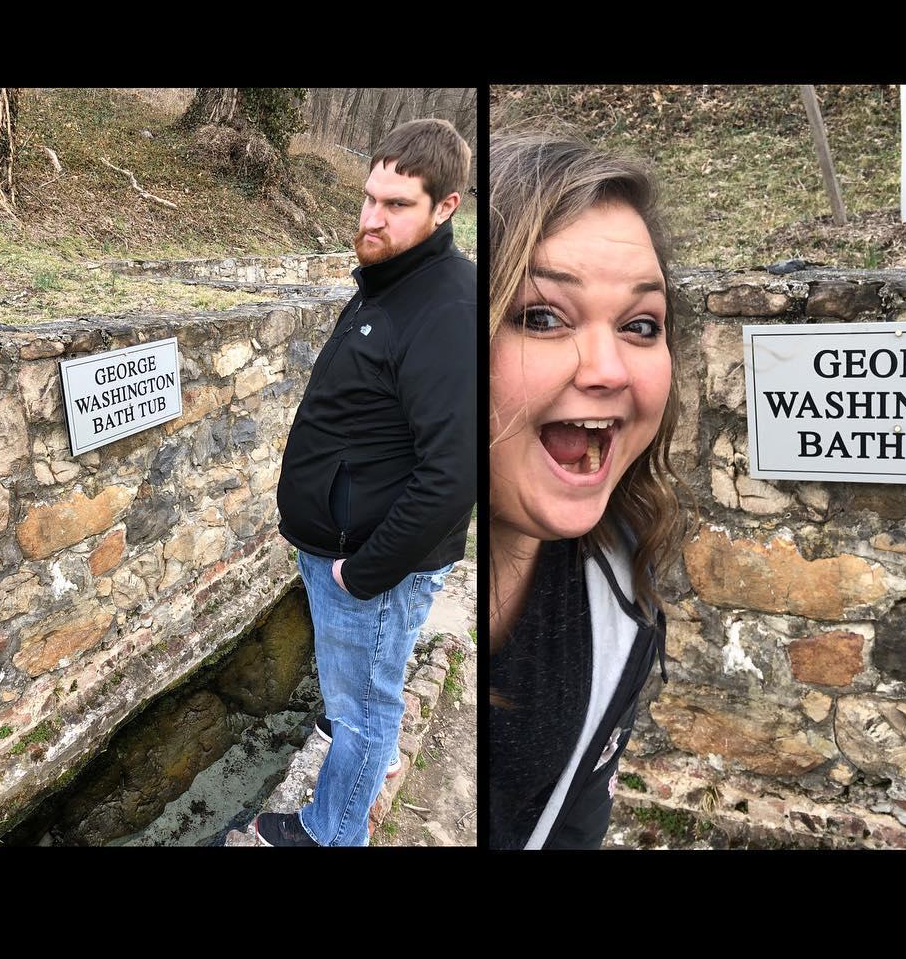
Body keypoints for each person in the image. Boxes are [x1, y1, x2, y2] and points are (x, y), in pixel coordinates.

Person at [257, 118, 476, 846]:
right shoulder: (392, 277)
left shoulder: (445, 310)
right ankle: (363, 745)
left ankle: (331, 831)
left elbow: (453, 473)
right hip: (345, 546)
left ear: (446, 206)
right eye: (369, 197)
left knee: (366, 711)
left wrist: (365, 573)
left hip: (369, 564)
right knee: (361, 697)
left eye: (396, 205)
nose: (371, 218)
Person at [489, 129, 688, 849]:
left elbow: (577, 819)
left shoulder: (621, 588)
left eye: (641, 325)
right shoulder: (374, 568)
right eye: (541, 316)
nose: (608, 369)